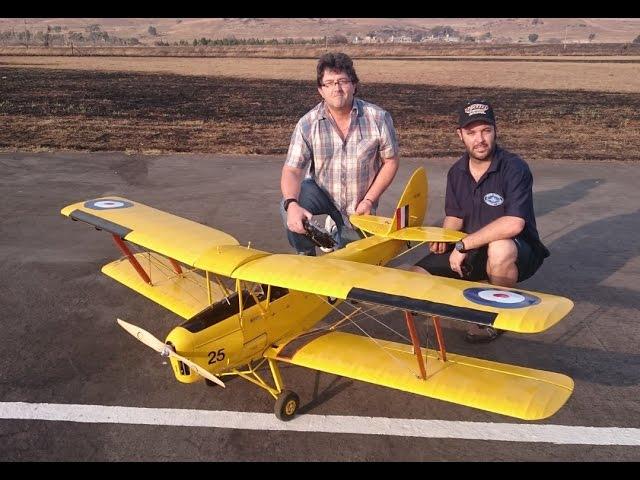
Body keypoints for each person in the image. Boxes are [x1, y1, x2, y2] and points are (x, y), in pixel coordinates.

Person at [412, 99, 550, 343]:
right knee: (414, 277)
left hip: (517, 250)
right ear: (460, 135)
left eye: (486, 130)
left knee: (500, 248)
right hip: (470, 248)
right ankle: (477, 283)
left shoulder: (514, 168)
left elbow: (514, 223)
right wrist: (443, 240)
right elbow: (455, 215)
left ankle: (493, 317)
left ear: (496, 130)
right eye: (471, 132)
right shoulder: (456, 172)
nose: (480, 139)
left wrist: (462, 246)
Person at [280, 52, 399, 256]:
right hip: (321, 193)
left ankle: (337, 230)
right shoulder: (307, 124)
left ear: (354, 85)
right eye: (330, 83)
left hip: (359, 205)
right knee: (287, 206)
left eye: (343, 81)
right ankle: (306, 255)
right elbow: (292, 170)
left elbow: (390, 161)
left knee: (351, 262)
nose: (337, 88)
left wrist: (369, 200)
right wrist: (291, 204)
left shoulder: (378, 118)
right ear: (321, 90)